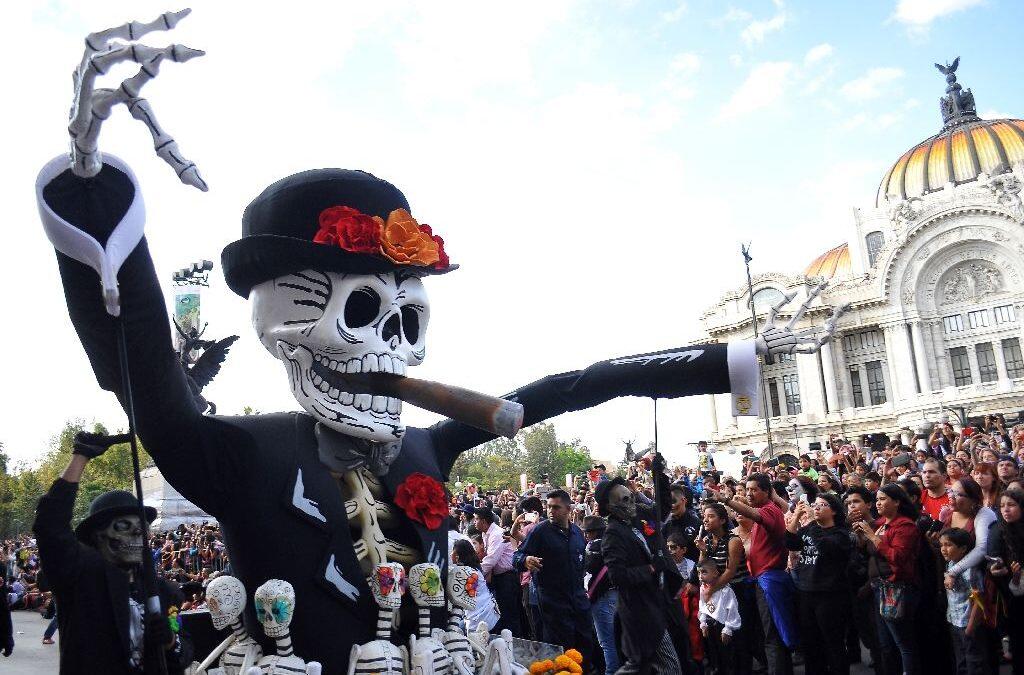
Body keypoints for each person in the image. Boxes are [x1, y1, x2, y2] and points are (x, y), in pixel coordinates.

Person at [33, 432, 193, 674]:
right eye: (123, 527)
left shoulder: (162, 591)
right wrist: (81, 456)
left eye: (141, 529)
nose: (136, 536)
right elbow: (50, 525)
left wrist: (170, 640)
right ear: (97, 535)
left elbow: (183, 655)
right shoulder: (80, 576)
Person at [596, 477, 682, 674]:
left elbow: (661, 511)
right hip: (640, 611)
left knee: (640, 664)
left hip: (656, 603)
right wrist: (651, 568)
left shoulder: (635, 519)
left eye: (631, 497)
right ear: (610, 507)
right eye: (625, 500)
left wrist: (660, 477)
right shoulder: (613, 534)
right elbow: (617, 576)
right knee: (669, 667)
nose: (632, 503)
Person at [713, 473, 796, 675]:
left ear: (766, 492)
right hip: (765, 580)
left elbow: (754, 514)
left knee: (772, 636)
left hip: (771, 581)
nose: (749, 494)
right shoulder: (765, 510)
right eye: (747, 489)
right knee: (771, 634)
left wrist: (726, 500)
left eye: (754, 490)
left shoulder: (769, 511)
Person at [512, 489, 596, 664]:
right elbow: (517, 557)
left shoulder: (577, 534)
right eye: (548, 507)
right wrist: (526, 559)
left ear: (568, 509)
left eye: (556, 507)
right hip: (553, 606)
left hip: (579, 602)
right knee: (559, 654)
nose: (551, 511)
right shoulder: (540, 532)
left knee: (585, 650)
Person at [851, 483, 920, 675]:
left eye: (883, 499)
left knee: (903, 643)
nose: (878, 503)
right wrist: (862, 537)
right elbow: (871, 552)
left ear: (897, 502)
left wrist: (872, 537)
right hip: (879, 588)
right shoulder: (881, 523)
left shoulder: (905, 526)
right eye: (878, 499)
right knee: (885, 644)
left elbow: (897, 556)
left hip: (898, 588)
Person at [785, 493, 852, 675]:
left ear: (834, 511)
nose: (816, 507)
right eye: (815, 504)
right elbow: (790, 542)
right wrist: (797, 516)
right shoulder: (808, 529)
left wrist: (813, 522)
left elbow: (824, 547)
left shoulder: (841, 534)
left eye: (822, 505)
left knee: (833, 642)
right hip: (806, 592)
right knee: (811, 642)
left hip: (830, 595)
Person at [698, 501, 753, 675]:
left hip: (736, 592)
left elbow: (730, 572)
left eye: (711, 516)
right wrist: (703, 551)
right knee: (718, 638)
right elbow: (703, 568)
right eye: (704, 516)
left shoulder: (733, 540)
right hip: (717, 594)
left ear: (722, 520)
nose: (705, 520)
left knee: (738, 638)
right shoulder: (706, 540)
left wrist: (710, 591)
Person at [940, 528, 989, 675]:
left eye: (948, 545)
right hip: (954, 621)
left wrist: (970, 628)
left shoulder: (970, 570)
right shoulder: (950, 564)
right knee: (961, 661)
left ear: (963, 549)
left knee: (973, 661)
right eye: (942, 545)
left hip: (967, 623)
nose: (943, 549)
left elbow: (978, 599)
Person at [843, 487, 882, 673]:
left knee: (879, 635)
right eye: (849, 503)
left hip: (875, 586)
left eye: (856, 502)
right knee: (865, 632)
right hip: (854, 585)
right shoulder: (845, 529)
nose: (852, 506)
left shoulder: (878, 526)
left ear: (869, 504)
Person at [988, 488, 1024, 674]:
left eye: (1011, 505)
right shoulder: (997, 530)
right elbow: (992, 559)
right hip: (1009, 598)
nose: (1006, 509)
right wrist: (997, 570)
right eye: (1002, 505)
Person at [473, 506, 520, 636]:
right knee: (502, 613)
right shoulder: (485, 533)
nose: (474, 522)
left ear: (484, 521)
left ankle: (514, 643)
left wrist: (475, 573)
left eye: (476, 519)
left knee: (509, 614)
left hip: (507, 578)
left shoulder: (497, 534)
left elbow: (491, 559)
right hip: (498, 578)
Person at [583, 515, 618, 675]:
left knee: (606, 642)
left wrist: (590, 596)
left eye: (588, 532)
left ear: (594, 532)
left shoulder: (593, 547)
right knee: (616, 638)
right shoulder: (612, 543)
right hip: (616, 594)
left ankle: (611, 671)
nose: (586, 535)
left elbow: (591, 574)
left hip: (601, 597)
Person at [698, 558, 741, 675]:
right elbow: (702, 607)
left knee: (727, 656)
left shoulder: (725, 590)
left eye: (704, 572)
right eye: (699, 573)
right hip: (710, 626)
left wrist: (728, 629)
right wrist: (703, 623)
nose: (700, 576)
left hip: (722, 627)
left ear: (716, 573)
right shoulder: (703, 589)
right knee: (713, 655)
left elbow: (732, 610)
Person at [451, 538, 501, 631]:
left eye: (452, 552)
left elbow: (468, 597)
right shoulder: (474, 569)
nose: (451, 555)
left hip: (479, 618)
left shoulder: (465, 573)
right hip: (487, 614)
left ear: (457, 556)